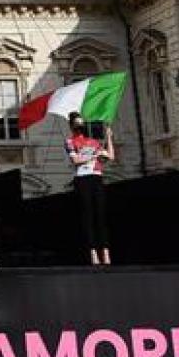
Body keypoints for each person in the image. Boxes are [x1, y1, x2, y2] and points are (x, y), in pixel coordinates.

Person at [66, 112, 115, 266]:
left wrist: (108, 138)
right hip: (83, 178)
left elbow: (110, 157)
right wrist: (94, 156)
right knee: (88, 215)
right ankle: (93, 252)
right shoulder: (69, 141)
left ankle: (105, 252)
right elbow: (75, 160)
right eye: (76, 124)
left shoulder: (93, 142)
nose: (80, 126)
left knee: (100, 215)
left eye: (81, 123)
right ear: (72, 126)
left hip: (96, 177)